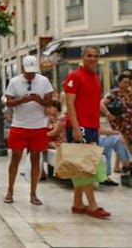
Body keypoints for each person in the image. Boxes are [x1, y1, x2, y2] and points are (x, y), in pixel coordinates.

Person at [63, 46, 110, 218]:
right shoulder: (74, 77)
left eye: (96, 56)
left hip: (92, 126)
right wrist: (76, 128)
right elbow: (69, 104)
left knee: (83, 165)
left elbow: (95, 101)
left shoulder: (95, 77)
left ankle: (77, 203)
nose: (93, 59)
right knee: (87, 167)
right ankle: (92, 205)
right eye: (89, 55)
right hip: (80, 127)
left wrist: (107, 115)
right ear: (82, 57)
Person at [3, 55, 54, 205]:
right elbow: (8, 101)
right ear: (23, 69)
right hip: (19, 125)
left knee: (35, 160)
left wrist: (40, 100)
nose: (31, 74)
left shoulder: (44, 81)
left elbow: (50, 101)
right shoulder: (14, 82)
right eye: (28, 72)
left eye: (33, 72)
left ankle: (33, 193)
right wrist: (21, 100)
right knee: (15, 159)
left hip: (38, 126)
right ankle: (10, 190)